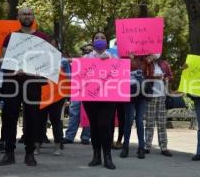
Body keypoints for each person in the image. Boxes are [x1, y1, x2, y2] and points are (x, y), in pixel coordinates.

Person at [0, 7, 52, 167]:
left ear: (33, 17)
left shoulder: (43, 38)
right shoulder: (10, 37)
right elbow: (3, 61)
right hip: (12, 84)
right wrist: (14, 69)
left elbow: (48, 62)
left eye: (29, 14)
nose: (27, 16)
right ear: (18, 17)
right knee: (9, 118)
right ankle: (9, 153)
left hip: (33, 84)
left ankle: (30, 153)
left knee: (33, 119)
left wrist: (36, 72)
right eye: (24, 14)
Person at [82, 32, 117, 170]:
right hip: (90, 98)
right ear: (92, 42)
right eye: (97, 38)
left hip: (108, 97)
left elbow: (120, 74)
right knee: (94, 126)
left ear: (107, 43)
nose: (100, 39)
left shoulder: (114, 57)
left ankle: (107, 157)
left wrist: (108, 62)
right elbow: (81, 75)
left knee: (104, 125)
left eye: (103, 37)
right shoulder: (85, 58)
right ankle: (96, 156)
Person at [144, 54, 173, 157]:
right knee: (149, 123)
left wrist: (165, 77)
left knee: (162, 123)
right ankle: (147, 146)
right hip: (150, 96)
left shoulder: (164, 64)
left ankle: (164, 147)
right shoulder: (146, 62)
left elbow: (171, 76)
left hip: (162, 96)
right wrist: (148, 64)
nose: (156, 53)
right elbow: (144, 75)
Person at [62, 44, 92, 145]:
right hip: (77, 89)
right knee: (74, 113)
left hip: (90, 90)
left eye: (90, 50)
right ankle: (69, 136)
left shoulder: (97, 60)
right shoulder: (78, 62)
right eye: (86, 51)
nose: (88, 52)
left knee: (88, 113)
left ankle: (85, 137)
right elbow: (66, 61)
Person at [120, 56, 147, 159]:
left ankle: (141, 148)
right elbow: (119, 72)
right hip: (129, 92)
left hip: (142, 92)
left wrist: (148, 60)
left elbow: (149, 74)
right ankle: (125, 147)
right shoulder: (124, 58)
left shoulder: (146, 59)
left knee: (140, 121)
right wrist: (128, 60)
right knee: (129, 120)